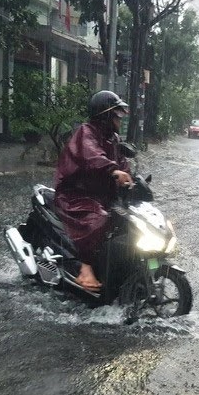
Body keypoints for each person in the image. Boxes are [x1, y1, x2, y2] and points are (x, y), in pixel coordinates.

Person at [53, 90, 132, 292]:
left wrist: (131, 178)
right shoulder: (85, 133)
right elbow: (92, 155)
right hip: (75, 195)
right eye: (117, 115)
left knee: (127, 221)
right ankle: (85, 269)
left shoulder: (112, 138)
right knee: (99, 218)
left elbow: (121, 163)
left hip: (100, 195)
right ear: (105, 115)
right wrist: (113, 170)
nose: (120, 120)